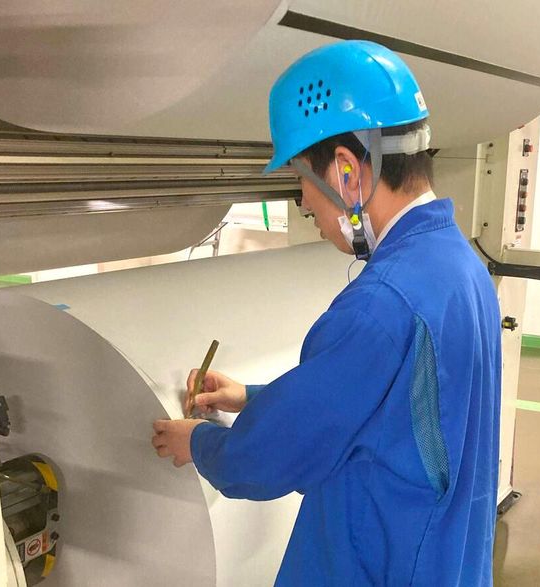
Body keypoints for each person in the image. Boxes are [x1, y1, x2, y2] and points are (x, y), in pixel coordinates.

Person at [152, 40, 501, 586]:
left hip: (379, 566)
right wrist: (250, 397)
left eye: (300, 179)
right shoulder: (460, 267)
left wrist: (196, 442)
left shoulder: (381, 303)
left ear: (345, 171)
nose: (305, 202)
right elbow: (388, 410)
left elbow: (268, 459)